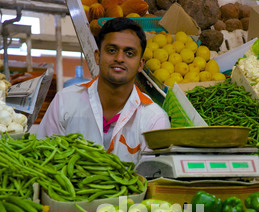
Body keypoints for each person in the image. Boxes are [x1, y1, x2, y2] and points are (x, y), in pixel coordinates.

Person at [35, 17, 171, 163]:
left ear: (140, 64)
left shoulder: (154, 119)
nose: (119, 58)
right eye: (111, 50)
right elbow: (43, 159)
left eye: (129, 53)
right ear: (98, 56)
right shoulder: (65, 101)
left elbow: (152, 178)